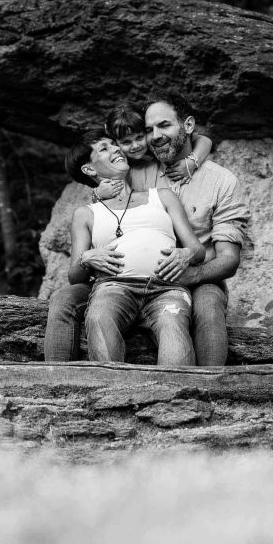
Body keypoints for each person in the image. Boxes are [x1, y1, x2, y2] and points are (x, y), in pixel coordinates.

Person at [45, 93, 249, 365]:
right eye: (149, 130)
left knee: (208, 306)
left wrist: (191, 273)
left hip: (196, 275)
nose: (154, 137)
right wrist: (96, 196)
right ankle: (57, 378)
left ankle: (208, 383)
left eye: (164, 126)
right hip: (122, 281)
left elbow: (229, 259)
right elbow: (103, 171)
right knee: (66, 298)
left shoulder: (220, 181)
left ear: (188, 125)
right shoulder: (138, 165)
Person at [64, 131, 204, 366]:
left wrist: (186, 254)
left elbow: (197, 250)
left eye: (114, 144)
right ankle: (110, 387)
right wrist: (85, 258)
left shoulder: (162, 196)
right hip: (114, 287)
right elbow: (74, 277)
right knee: (99, 317)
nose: (116, 148)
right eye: (104, 148)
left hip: (166, 287)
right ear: (89, 169)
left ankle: (174, 390)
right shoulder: (86, 213)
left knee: (173, 325)